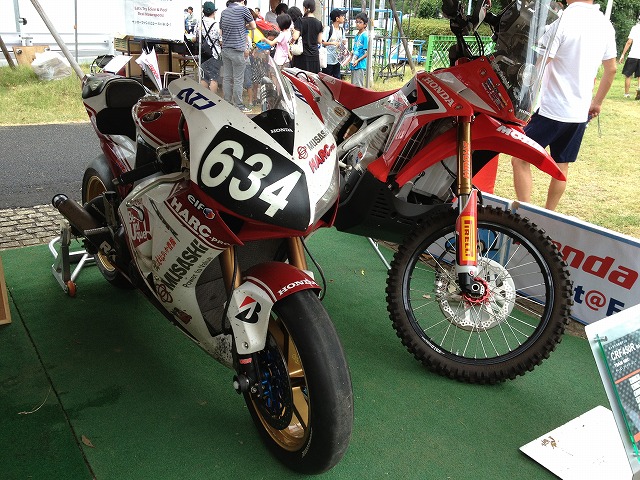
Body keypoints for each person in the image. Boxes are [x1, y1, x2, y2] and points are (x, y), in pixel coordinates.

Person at [510, 0, 617, 211]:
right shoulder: (605, 24)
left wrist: (523, 97)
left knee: (519, 159)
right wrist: (597, 103)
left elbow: (539, 64)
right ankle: (550, 214)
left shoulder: (562, 21)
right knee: (561, 167)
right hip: (579, 112)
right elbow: (611, 69)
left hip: (552, 110)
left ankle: (525, 214)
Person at [220, 0, 256, 113]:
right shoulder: (243, 9)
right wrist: (243, 26)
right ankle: (239, 105)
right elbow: (253, 26)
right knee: (238, 79)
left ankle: (227, 103)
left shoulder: (224, 12)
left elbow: (221, 31)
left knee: (227, 78)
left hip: (225, 49)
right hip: (238, 50)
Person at [195, 2, 222, 94]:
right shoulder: (216, 24)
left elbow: (196, 36)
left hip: (203, 52)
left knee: (204, 77)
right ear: (214, 12)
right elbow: (221, 40)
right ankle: (213, 99)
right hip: (214, 53)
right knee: (214, 78)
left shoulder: (199, 23)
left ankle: (203, 97)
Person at [291, 0, 324, 73]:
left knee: (301, 77)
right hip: (314, 56)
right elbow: (319, 41)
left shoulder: (300, 21)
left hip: (302, 56)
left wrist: (293, 31)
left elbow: (295, 37)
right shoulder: (319, 23)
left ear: (304, 8)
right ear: (314, 8)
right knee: (313, 78)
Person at [321, 9, 347, 79]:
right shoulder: (328, 29)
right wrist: (332, 43)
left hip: (338, 58)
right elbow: (322, 42)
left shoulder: (342, 30)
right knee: (327, 79)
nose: (344, 17)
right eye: (342, 16)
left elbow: (343, 40)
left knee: (337, 79)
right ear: (337, 18)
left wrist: (343, 42)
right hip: (328, 59)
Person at [618, 16, 640, 100]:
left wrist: (623, 54)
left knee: (628, 75)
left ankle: (626, 94)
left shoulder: (635, 28)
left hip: (633, 55)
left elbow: (629, 42)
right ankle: (639, 90)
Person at [350, 12, 369, 87]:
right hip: (354, 63)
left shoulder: (365, 36)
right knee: (353, 85)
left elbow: (367, 53)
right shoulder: (357, 35)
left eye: (360, 22)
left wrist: (358, 60)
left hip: (360, 64)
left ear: (365, 24)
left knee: (358, 85)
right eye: (356, 22)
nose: (357, 24)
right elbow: (356, 48)